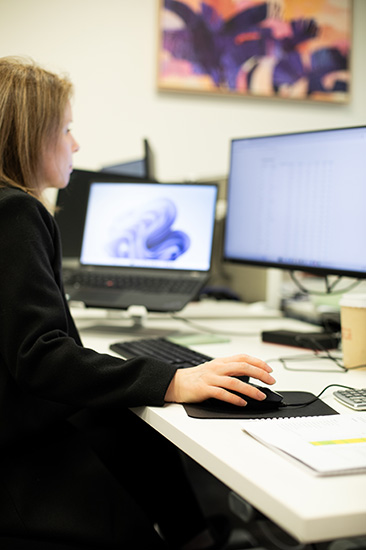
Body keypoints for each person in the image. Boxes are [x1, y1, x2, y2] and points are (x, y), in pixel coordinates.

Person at [0, 56, 276, 550]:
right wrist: (173, 378)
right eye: (65, 128)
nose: (76, 144)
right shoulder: (14, 211)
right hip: (19, 464)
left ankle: (196, 536)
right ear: (28, 136)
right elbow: (39, 357)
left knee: (126, 427)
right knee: (130, 422)